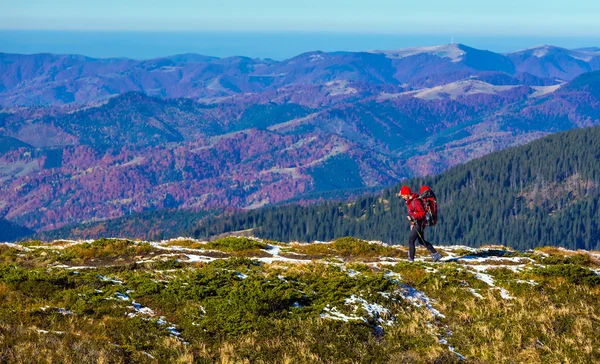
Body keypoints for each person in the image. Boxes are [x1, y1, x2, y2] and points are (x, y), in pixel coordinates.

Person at [398, 185, 442, 262]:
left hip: (419, 223)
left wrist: (413, 218)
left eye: (403, 195)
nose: (402, 197)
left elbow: (422, 213)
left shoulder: (415, 201)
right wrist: (412, 223)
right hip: (418, 223)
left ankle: (411, 259)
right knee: (421, 241)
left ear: (406, 194)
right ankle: (435, 254)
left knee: (411, 241)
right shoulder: (411, 201)